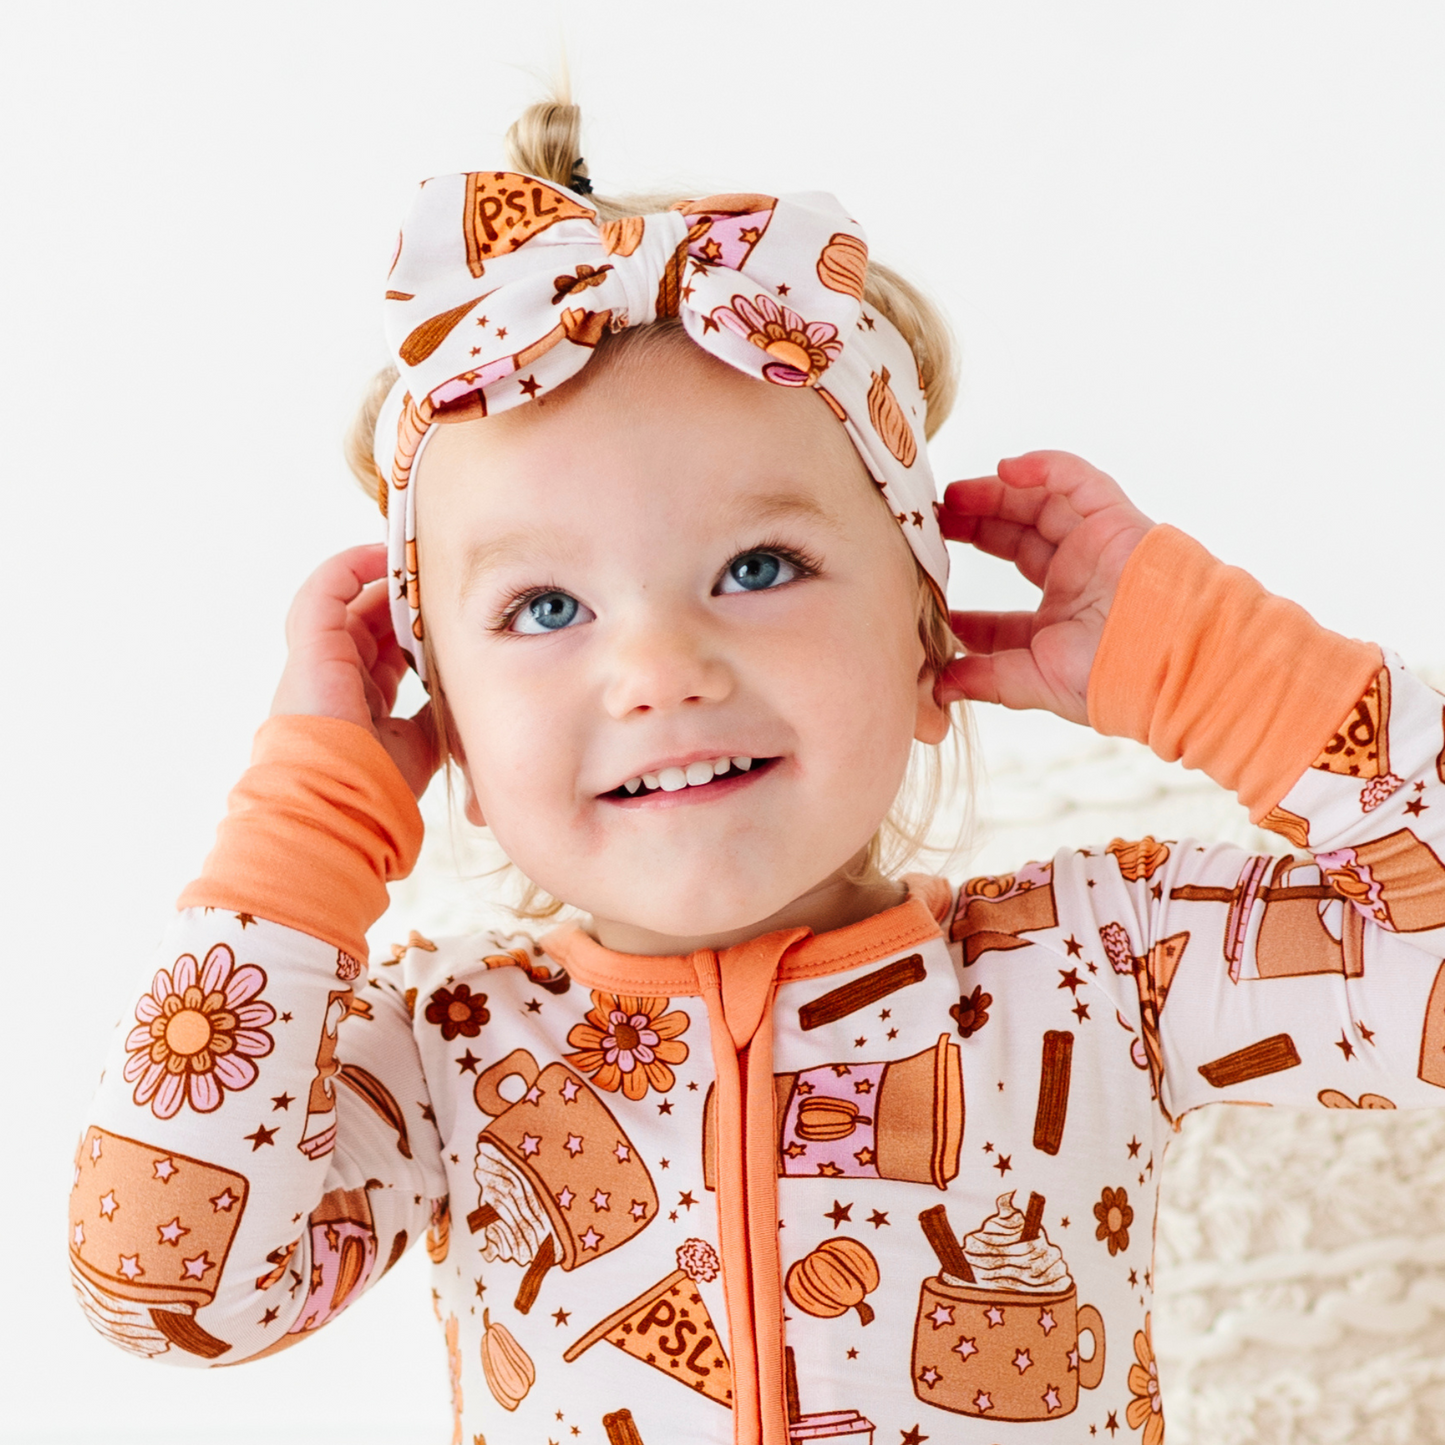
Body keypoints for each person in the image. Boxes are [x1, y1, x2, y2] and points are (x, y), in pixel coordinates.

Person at [68, 94, 1445, 1445]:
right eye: (546, 610)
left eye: (760, 567)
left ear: (924, 638)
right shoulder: (447, 1052)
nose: (661, 667)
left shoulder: (1101, 967)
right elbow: (167, 1289)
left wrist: (1214, 667)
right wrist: (309, 824)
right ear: (453, 741)